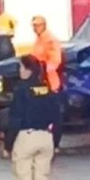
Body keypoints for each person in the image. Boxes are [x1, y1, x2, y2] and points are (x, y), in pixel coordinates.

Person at [4, 55, 60, 180]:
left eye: (21, 67)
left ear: (28, 69)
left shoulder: (21, 90)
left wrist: (8, 144)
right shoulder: (47, 88)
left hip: (26, 136)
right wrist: (56, 141)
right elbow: (57, 117)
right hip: (46, 137)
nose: (19, 71)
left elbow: (15, 119)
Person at [30, 15, 64, 152]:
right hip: (41, 82)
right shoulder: (39, 40)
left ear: (44, 25)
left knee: (54, 115)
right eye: (34, 25)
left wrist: (44, 72)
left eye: (38, 25)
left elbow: (55, 60)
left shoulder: (50, 40)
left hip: (50, 83)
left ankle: (55, 143)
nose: (35, 28)